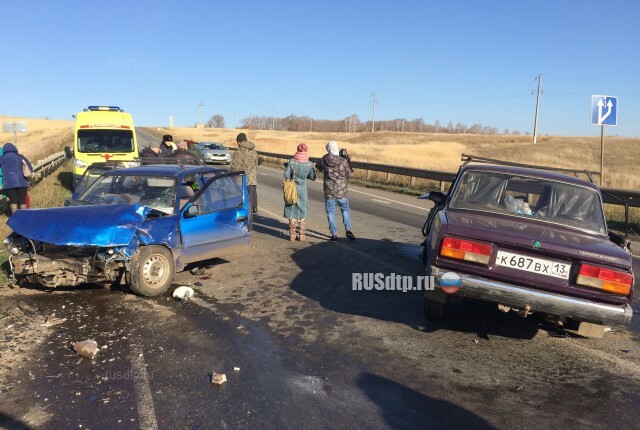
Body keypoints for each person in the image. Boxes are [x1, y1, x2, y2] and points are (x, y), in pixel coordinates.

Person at [315, 140, 355, 241]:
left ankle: (334, 234)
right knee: (345, 210)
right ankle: (348, 229)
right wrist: (347, 161)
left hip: (329, 191)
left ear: (328, 149)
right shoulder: (343, 161)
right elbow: (350, 175)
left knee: (330, 212)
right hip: (342, 191)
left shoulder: (325, 159)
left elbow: (317, 167)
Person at [283, 143, 316, 241]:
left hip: (293, 187)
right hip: (303, 188)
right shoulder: (309, 164)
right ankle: (302, 234)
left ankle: (292, 234)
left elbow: (286, 175)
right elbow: (313, 177)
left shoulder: (292, 162)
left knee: (291, 207)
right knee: (303, 208)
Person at [230, 133, 261, 214]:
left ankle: (246, 222)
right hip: (252, 180)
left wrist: (230, 174)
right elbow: (257, 163)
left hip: (242, 181)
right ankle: (253, 210)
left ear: (239, 142)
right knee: (251, 202)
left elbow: (235, 168)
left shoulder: (239, 152)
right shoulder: (254, 151)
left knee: (244, 206)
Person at [0, 143, 33, 214]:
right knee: (22, 200)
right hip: (22, 183)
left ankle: (15, 218)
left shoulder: (1, 158)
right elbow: (30, 168)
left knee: (13, 201)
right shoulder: (20, 157)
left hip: (9, 184)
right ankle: (24, 216)